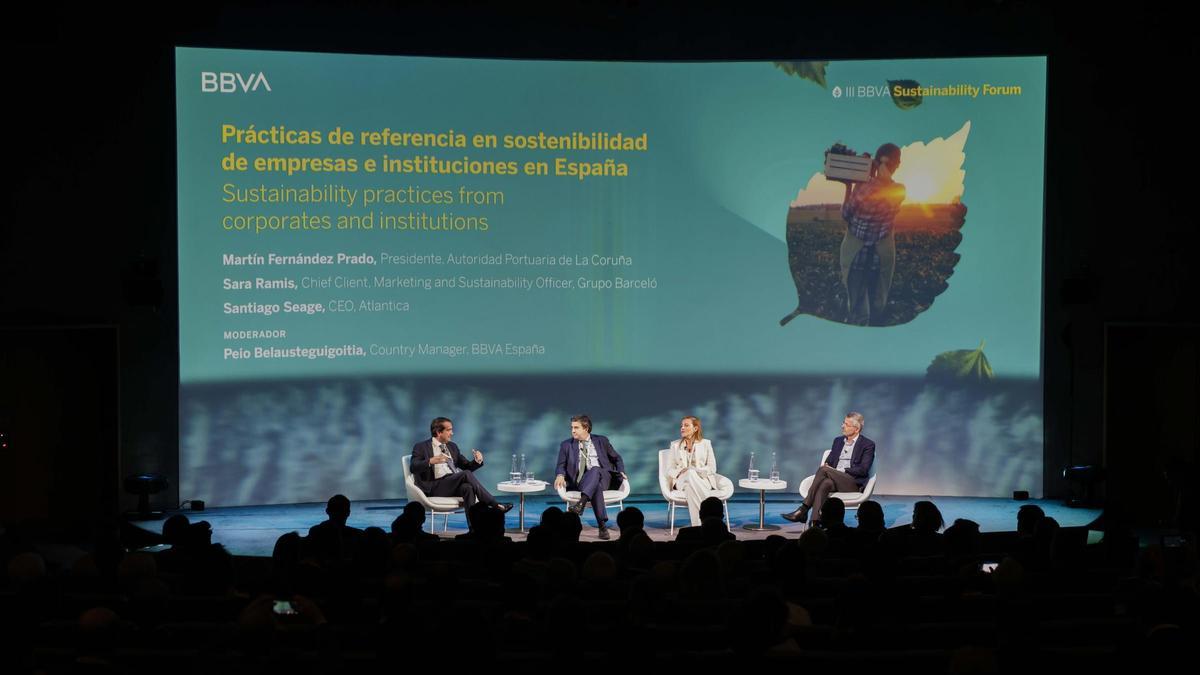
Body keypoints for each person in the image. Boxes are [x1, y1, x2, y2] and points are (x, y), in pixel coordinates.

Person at [838, 143, 905, 325]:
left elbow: (846, 215)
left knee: (857, 306)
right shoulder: (899, 190)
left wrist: (849, 186)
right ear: (895, 164)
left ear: (877, 162)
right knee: (877, 303)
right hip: (880, 258)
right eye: (897, 162)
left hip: (856, 256)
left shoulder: (862, 187)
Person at [782, 412, 875, 525]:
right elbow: (829, 462)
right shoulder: (838, 441)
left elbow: (863, 469)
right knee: (825, 482)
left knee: (823, 470)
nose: (842, 426)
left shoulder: (867, 445)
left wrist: (840, 470)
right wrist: (829, 467)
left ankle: (804, 508)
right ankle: (815, 522)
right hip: (834, 480)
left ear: (856, 429)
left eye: (846, 424)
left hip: (852, 483)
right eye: (843, 423)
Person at [410, 417, 511, 516]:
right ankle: (494, 504)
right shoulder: (421, 447)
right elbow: (413, 467)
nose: (452, 433)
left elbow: (466, 467)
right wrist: (430, 461)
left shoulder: (452, 447)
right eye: (449, 430)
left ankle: (473, 529)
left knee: (468, 488)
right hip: (434, 487)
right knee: (466, 475)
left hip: (452, 483)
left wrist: (477, 461)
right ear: (438, 432)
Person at [554, 414, 625, 540]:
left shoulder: (601, 441)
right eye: (572, 427)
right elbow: (561, 465)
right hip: (581, 481)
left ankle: (580, 503)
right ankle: (602, 526)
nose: (573, 430)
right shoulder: (566, 445)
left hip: (604, 478)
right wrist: (560, 474)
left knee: (595, 469)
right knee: (595, 486)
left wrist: (621, 471)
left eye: (576, 427)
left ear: (586, 428)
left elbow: (617, 458)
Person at [668, 415, 722, 527]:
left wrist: (695, 470)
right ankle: (709, 520)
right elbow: (669, 469)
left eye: (686, 425)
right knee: (689, 474)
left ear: (695, 428)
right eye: (681, 426)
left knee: (690, 487)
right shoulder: (675, 445)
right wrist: (681, 471)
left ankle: (697, 526)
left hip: (701, 479)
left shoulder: (706, 444)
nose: (682, 428)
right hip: (681, 480)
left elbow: (712, 468)